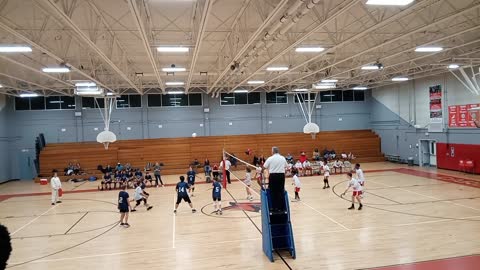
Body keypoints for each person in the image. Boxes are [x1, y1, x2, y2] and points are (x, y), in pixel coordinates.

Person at [263, 146, 288, 212]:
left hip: (273, 176)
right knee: (280, 191)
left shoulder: (270, 158)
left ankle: (274, 208)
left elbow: (264, 166)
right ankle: (281, 208)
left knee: (273, 192)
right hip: (281, 176)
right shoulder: (282, 158)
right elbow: (287, 166)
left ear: (273, 151)